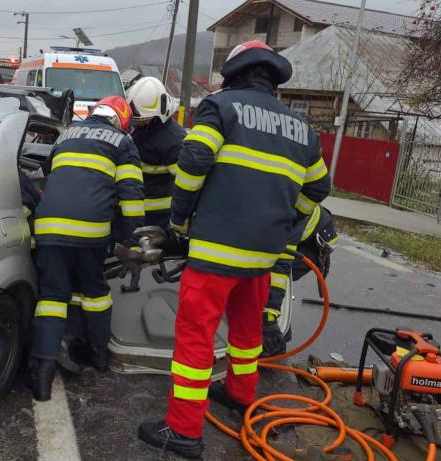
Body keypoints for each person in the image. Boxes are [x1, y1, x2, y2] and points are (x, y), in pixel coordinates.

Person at [137, 40, 331, 459]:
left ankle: (184, 430)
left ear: (235, 73)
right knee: (246, 331)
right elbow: (319, 187)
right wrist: (284, 218)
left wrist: (179, 220)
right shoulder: (301, 127)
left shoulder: (220, 107)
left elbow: (193, 161)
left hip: (217, 250)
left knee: (196, 336)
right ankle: (242, 395)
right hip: (264, 255)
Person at [26, 96, 144, 401]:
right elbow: (130, 197)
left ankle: (42, 374)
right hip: (91, 232)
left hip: (49, 227)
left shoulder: (66, 134)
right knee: (95, 293)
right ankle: (98, 355)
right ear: (120, 122)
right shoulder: (122, 143)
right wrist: (131, 240)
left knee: (52, 296)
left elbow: (50, 174)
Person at [262, 204, 338, 357]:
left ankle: (275, 344)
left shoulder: (288, 207)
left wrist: (268, 318)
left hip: (311, 245)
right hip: (290, 232)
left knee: (270, 283)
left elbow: (281, 267)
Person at [127, 77, 185, 229]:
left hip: (160, 218)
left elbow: (185, 183)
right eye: (138, 119)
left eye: (144, 119)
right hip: (137, 212)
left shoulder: (173, 141)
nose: (140, 122)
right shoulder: (142, 130)